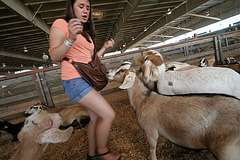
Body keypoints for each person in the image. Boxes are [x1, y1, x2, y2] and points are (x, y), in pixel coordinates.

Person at [48, 0, 121, 160]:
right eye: (81, 6)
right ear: (71, 8)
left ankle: (92, 154)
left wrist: (104, 48)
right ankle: (103, 152)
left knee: (95, 118)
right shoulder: (61, 23)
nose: (85, 10)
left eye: (88, 7)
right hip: (74, 80)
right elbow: (54, 56)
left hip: (87, 80)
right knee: (108, 114)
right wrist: (70, 38)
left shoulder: (85, 33)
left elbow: (90, 61)